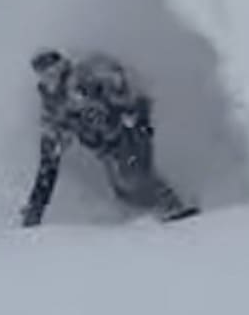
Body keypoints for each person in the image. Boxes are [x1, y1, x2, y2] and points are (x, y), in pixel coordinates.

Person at [20, 47, 199, 227]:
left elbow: (130, 91)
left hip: (128, 130)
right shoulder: (53, 110)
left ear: (62, 64)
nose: (49, 75)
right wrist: (36, 207)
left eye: (52, 67)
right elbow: (48, 164)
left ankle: (175, 210)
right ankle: (150, 217)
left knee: (133, 174)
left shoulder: (89, 76)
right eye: (42, 72)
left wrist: (136, 118)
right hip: (105, 146)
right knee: (124, 191)